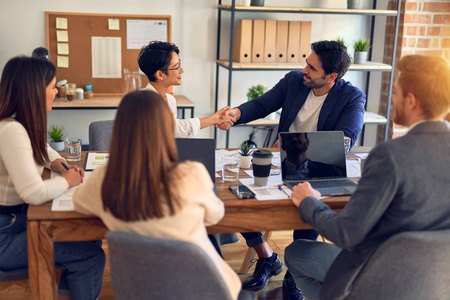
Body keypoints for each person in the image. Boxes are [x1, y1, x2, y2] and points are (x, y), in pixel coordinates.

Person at [284, 54, 450, 300]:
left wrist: (309, 201)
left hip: (377, 279)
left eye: (395, 92)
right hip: (436, 283)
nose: (391, 100)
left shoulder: (390, 156)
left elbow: (346, 233)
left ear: (411, 101)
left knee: (296, 252)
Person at [218, 40, 366, 296]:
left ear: (331, 76)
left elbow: (344, 141)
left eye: (311, 67)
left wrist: (292, 146)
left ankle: (295, 274)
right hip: (279, 160)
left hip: (317, 168)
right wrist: (236, 114)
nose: (304, 70)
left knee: (308, 203)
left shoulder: (352, 97)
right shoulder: (294, 81)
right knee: (238, 196)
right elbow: (263, 104)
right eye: (306, 63)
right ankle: (266, 257)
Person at [72, 90, 243, 300]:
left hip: (141, 291)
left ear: (120, 129)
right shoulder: (191, 173)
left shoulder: (105, 179)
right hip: (206, 289)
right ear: (166, 129)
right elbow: (215, 216)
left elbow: (79, 203)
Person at [0, 56, 105, 300]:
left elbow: (42, 148)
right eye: (52, 87)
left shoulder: (17, 124)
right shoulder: (12, 130)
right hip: (6, 233)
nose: (56, 92)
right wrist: (68, 180)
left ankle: (67, 294)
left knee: (91, 239)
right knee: (92, 256)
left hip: (16, 221)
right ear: (34, 91)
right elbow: (33, 193)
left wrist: (58, 163)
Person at [138, 41, 234, 137]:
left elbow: (173, 133)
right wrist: (214, 118)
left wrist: (216, 118)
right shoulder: (144, 102)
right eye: (176, 67)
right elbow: (172, 128)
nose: (182, 70)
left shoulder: (170, 100)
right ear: (160, 74)